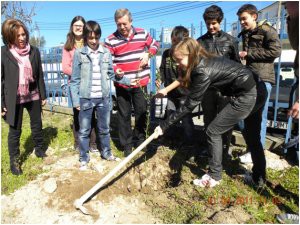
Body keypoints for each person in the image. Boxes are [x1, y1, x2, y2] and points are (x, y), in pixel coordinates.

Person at [153, 38, 267, 188]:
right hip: (258, 88)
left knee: (213, 131)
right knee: (252, 137)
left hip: (248, 94)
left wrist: (164, 125)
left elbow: (190, 104)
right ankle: (259, 178)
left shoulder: (202, 70)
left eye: (179, 60)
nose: (177, 64)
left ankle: (214, 176)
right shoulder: (203, 61)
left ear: (191, 54)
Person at [70, 20, 133, 170]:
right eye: (90, 38)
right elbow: (75, 80)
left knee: (104, 129)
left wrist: (127, 80)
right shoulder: (79, 53)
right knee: (84, 130)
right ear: (85, 37)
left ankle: (106, 153)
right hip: (86, 98)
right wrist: (75, 100)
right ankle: (84, 158)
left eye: (96, 38)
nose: (93, 41)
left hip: (104, 98)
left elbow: (112, 74)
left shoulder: (106, 53)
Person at [105, 8, 159, 157]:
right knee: (124, 115)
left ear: (131, 21)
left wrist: (148, 54)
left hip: (140, 83)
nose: (122, 27)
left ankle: (140, 140)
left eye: (124, 24)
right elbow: (106, 61)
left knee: (142, 112)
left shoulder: (142, 33)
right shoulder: (110, 40)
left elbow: (155, 44)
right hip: (122, 84)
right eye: (118, 24)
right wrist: (116, 69)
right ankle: (126, 145)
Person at [1, 19, 47, 175]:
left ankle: (39, 149)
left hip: (33, 94)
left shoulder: (34, 51)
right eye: (17, 36)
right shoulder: (3, 53)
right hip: (14, 98)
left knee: (37, 125)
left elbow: (39, 75)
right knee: (15, 131)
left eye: (23, 34)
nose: (22, 38)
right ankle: (14, 162)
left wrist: (43, 95)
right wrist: (1, 103)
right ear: (9, 37)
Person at [237, 4, 281, 163]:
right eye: (240, 19)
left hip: (264, 79)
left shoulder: (267, 30)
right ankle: (253, 148)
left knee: (259, 116)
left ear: (254, 16)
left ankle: (256, 152)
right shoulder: (246, 33)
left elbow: (275, 52)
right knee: (242, 115)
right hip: (249, 79)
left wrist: (249, 54)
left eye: (244, 18)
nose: (242, 22)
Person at [197, 5, 240, 156]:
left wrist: (235, 89)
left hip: (226, 90)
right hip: (208, 89)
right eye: (208, 23)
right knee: (208, 119)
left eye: (214, 23)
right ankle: (209, 149)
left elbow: (237, 66)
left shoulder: (231, 41)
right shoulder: (199, 42)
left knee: (226, 120)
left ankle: (224, 150)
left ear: (220, 21)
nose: (211, 26)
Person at [62, 16, 98, 153]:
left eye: (81, 25)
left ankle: (93, 144)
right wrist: (81, 72)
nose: (78, 27)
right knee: (77, 115)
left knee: (91, 113)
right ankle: (78, 143)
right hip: (75, 86)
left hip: (91, 85)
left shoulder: (90, 43)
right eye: (75, 25)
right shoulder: (68, 47)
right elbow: (65, 68)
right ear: (72, 27)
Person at [157, 26, 194, 147]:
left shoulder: (186, 57)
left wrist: (165, 89)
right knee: (169, 116)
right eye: (172, 41)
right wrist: (160, 79)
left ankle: (189, 143)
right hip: (170, 94)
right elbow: (162, 69)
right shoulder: (166, 54)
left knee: (186, 119)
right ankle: (170, 140)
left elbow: (182, 78)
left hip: (184, 93)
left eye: (176, 42)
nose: (173, 44)